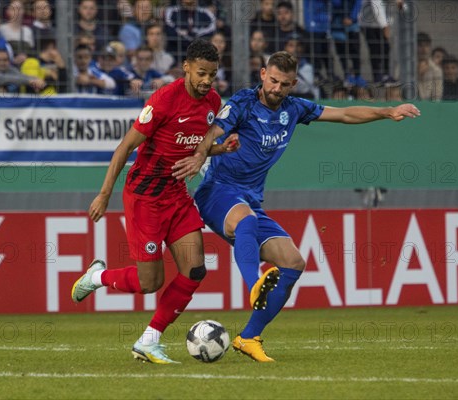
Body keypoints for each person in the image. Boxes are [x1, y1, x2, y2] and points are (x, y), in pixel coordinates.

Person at [172, 51, 420, 362]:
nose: (276, 88)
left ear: (293, 84)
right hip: (218, 192)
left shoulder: (294, 108)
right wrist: (198, 156)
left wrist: (387, 111)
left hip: (250, 199)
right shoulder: (243, 103)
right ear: (263, 74)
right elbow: (213, 133)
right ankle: (254, 286)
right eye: (273, 80)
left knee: (293, 262)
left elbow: (343, 115)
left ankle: (249, 337)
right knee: (246, 222)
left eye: (284, 84)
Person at [70, 38, 240, 364]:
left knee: (195, 269)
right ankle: (98, 277)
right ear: (187, 67)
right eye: (201, 73)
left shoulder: (213, 102)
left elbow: (194, 147)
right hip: (145, 197)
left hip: (176, 195)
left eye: (213, 75)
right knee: (151, 282)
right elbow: (123, 149)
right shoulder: (164, 100)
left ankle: (150, 340)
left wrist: (221, 148)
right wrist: (104, 194)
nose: (207, 81)